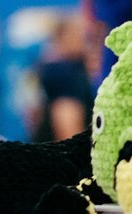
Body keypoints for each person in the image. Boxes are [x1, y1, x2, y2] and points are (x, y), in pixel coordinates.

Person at [33, 12, 96, 142]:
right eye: (79, 34)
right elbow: (67, 124)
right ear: (63, 37)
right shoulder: (63, 72)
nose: (85, 40)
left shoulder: (67, 69)